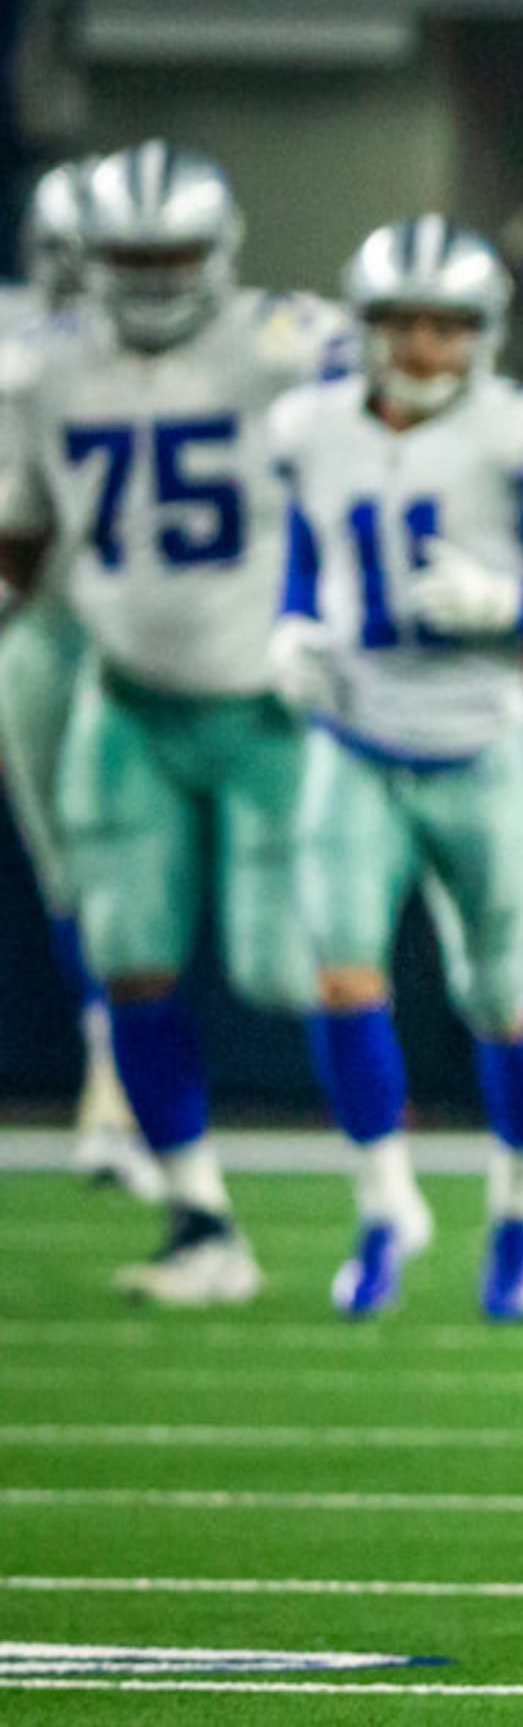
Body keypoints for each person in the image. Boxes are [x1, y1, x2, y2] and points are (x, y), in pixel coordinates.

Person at [0, 141, 348, 1306]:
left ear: (219, 253)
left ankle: (383, 1174)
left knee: (280, 964)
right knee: (127, 963)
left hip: (265, 703)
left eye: (172, 258)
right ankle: (200, 1222)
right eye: (128, 259)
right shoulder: (41, 368)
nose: (151, 282)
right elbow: (24, 537)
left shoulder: (290, 349)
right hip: (123, 695)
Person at [266, 216, 523, 1321]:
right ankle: (385, 1205)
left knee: (497, 995)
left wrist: (508, 605)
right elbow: (304, 557)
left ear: (480, 333)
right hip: (354, 739)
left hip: (478, 742)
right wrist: (289, 632)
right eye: (402, 324)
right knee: (340, 974)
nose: (423, 348)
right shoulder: (308, 425)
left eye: (444, 326)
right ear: (367, 326)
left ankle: (521, 1200)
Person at [0, 158, 156, 1199]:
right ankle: (114, 1078)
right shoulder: (22, 347)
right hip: (37, 628)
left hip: (136, 635)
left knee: (126, 876)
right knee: (70, 874)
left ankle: (120, 1084)